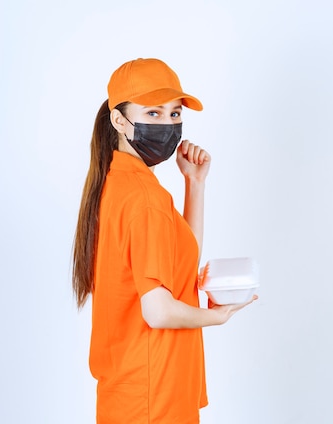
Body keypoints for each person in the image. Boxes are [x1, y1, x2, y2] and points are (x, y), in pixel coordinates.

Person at [72, 58, 257, 423]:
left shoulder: (119, 184)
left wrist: (195, 184)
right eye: (153, 113)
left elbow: (176, 266)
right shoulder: (144, 198)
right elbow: (157, 311)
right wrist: (215, 317)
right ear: (119, 120)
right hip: (154, 398)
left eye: (174, 114)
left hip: (130, 394)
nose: (168, 124)